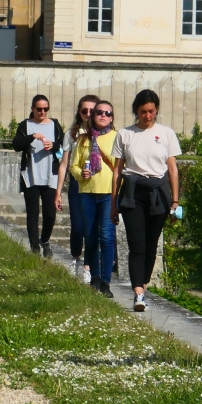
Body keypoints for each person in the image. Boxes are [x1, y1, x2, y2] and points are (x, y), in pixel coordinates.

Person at [110, 90, 180, 312]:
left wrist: (175, 201)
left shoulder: (166, 134)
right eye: (142, 112)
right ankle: (138, 292)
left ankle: (144, 282)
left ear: (156, 110)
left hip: (158, 192)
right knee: (136, 245)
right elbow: (117, 171)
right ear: (136, 111)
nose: (147, 116)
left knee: (151, 245)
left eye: (151, 111)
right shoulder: (125, 134)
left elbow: (172, 168)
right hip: (132, 193)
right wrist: (114, 203)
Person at [71, 100, 117, 297]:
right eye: (99, 112)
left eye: (107, 113)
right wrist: (82, 174)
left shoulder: (117, 138)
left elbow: (121, 166)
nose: (103, 116)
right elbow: (73, 166)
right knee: (90, 237)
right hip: (87, 193)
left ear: (112, 118)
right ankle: (95, 278)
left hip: (108, 193)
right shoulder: (83, 140)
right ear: (92, 115)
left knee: (107, 237)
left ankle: (106, 282)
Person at [12, 95, 64, 257]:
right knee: (32, 213)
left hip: (51, 176)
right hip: (31, 176)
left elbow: (63, 146)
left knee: (50, 213)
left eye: (45, 109)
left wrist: (53, 145)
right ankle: (34, 247)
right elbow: (16, 145)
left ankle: (45, 240)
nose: (42, 112)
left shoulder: (55, 125)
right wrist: (31, 137)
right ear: (33, 109)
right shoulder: (25, 125)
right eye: (39, 109)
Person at [57, 95, 100, 281]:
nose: (88, 114)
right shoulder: (72, 134)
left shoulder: (104, 133)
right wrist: (57, 192)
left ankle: (88, 266)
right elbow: (64, 164)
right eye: (85, 110)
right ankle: (75, 257)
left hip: (97, 184)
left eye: (92, 111)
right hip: (77, 183)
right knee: (77, 226)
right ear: (79, 112)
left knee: (92, 228)